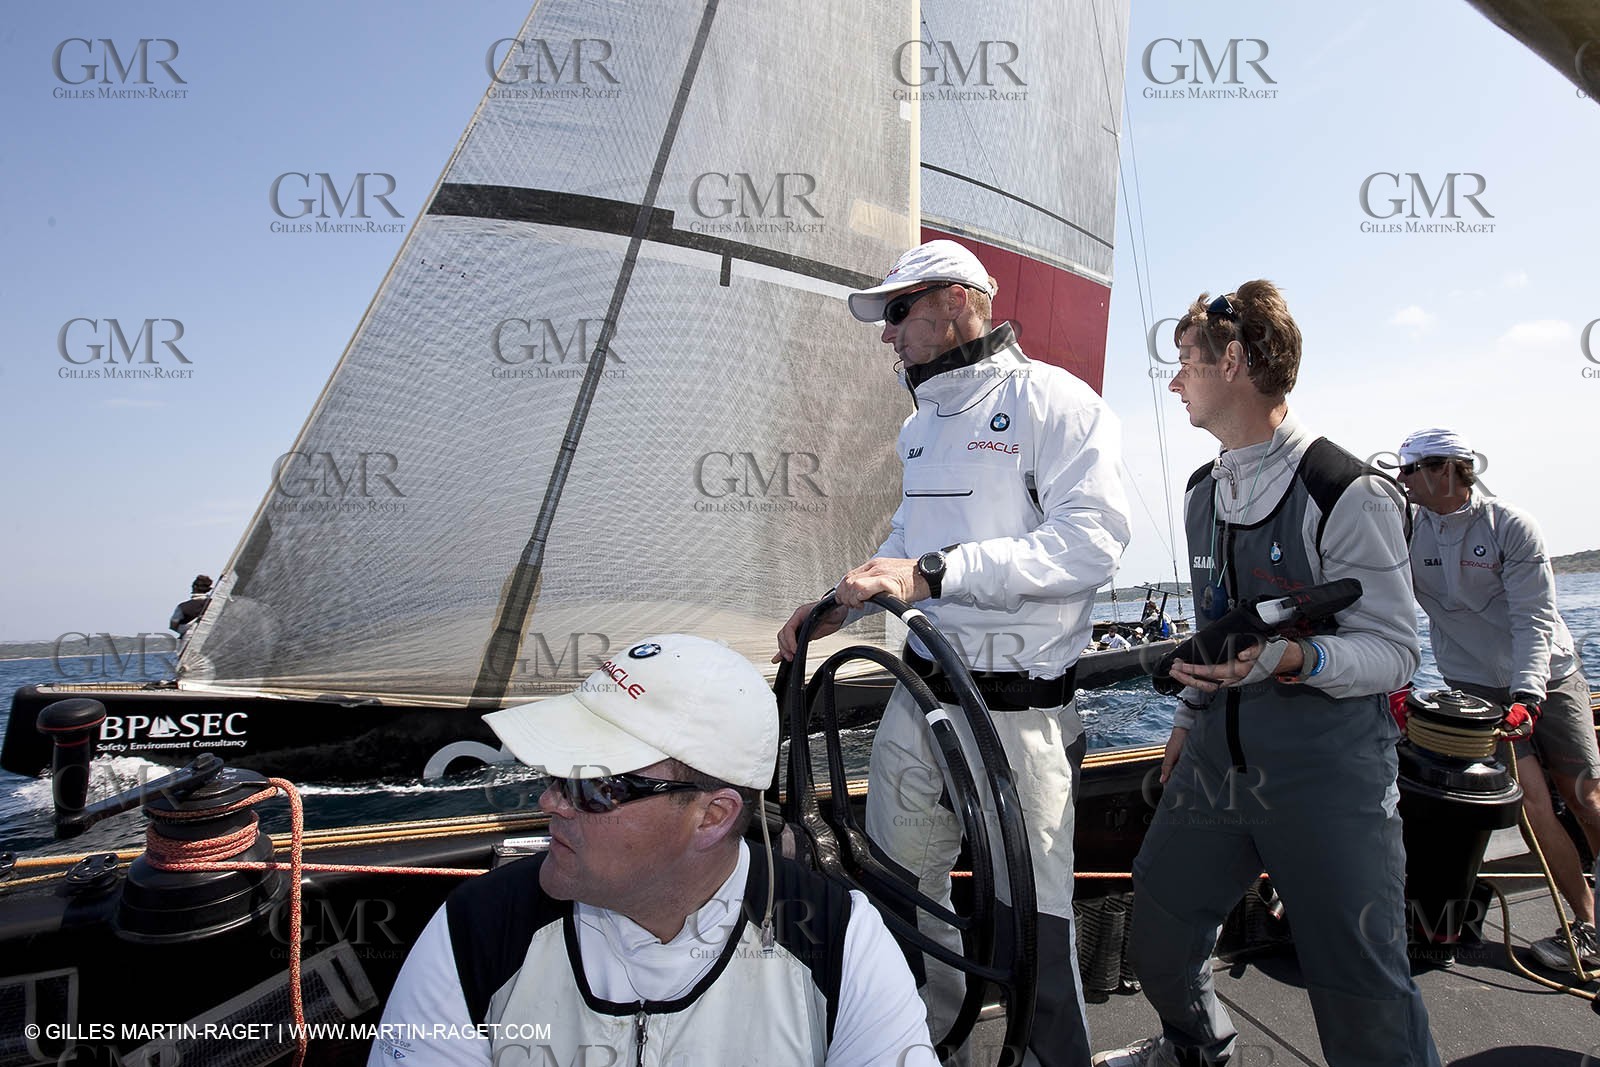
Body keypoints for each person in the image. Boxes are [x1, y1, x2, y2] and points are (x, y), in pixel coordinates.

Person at [776, 238, 1132, 1067]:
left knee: (1033, 925)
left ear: (957, 303)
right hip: (921, 696)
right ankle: (934, 1049)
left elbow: (1093, 542)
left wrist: (938, 573)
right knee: (899, 897)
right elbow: (908, 539)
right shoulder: (918, 428)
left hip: (1019, 715)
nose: (887, 332)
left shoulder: (1056, 403)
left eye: (899, 310)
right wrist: (835, 601)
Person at [1094, 283, 1441, 1067]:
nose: (1174, 381)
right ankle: (1195, 1046)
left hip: (1329, 774)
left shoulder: (1347, 491)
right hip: (1216, 763)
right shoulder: (1200, 494)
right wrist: (1187, 719)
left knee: (1362, 986)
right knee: (1160, 932)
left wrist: (1296, 657)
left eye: (1185, 361)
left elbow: (1395, 651)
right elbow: (1213, 628)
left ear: (1234, 362)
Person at [371, 634, 935, 1066]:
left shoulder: (839, 941)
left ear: (712, 816)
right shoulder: (477, 929)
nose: (550, 801)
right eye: (556, 772)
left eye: (594, 785)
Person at [1388, 426, 1600, 974]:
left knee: (1587, 799)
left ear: (1446, 469)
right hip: (1474, 688)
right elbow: (1388, 608)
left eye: (1410, 470)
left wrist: (1528, 694)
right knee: (1532, 805)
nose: (1402, 480)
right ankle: (1587, 926)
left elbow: (1534, 618)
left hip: (1549, 675)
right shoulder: (1405, 531)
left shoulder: (1511, 525)